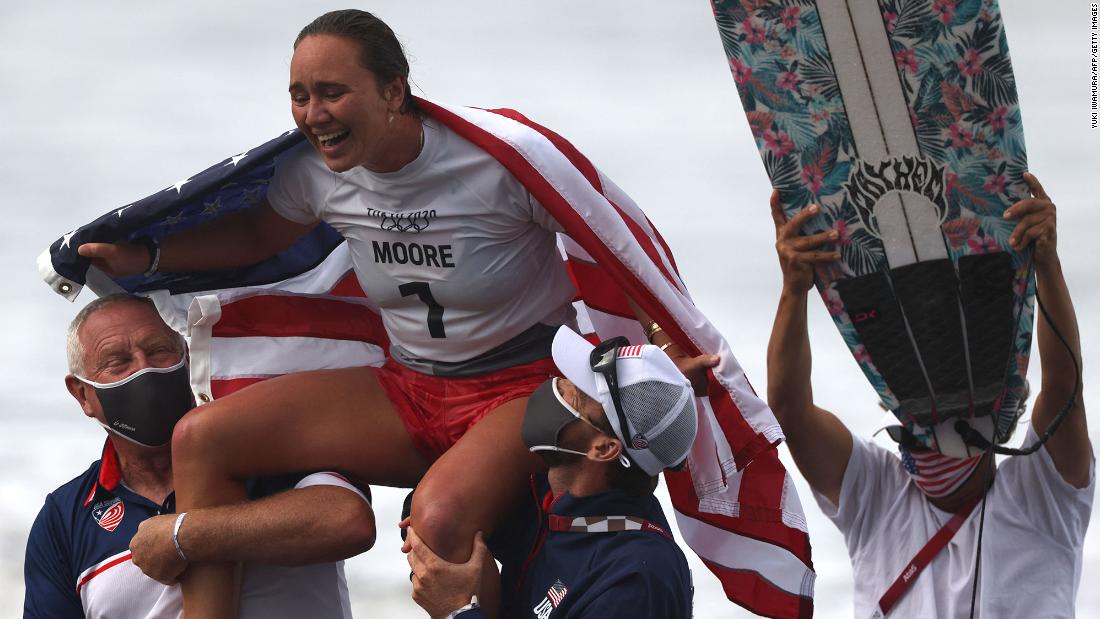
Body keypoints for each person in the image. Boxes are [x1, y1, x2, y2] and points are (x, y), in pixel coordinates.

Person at [75, 9, 717, 617]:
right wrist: (147, 254)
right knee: (202, 437)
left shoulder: (498, 158)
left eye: (331, 92)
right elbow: (255, 241)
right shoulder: (313, 172)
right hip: (408, 386)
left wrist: (661, 338)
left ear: (392, 90)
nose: (312, 114)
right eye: (298, 95)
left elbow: (610, 238)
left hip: (518, 386)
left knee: (434, 523)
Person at [766, 173, 1093, 617]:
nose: (923, 442)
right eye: (912, 431)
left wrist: (1047, 265)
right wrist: (793, 290)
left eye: (942, 426)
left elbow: (1063, 390)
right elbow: (790, 411)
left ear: (994, 424)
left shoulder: (1042, 499)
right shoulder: (877, 495)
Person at [23, 294, 376, 618]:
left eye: (159, 351)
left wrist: (182, 536)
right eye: (118, 362)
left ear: (188, 358)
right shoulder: (64, 519)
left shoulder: (273, 449)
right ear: (82, 394)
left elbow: (350, 521)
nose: (143, 370)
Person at [403, 326, 694, 619]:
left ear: (603, 449)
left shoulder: (637, 580)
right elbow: (441, 523)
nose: (556, 386)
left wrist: (457, 611)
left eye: (574, 394)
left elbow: (451, 596)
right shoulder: (554, 502)